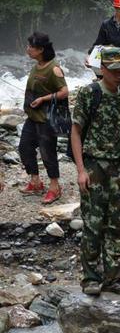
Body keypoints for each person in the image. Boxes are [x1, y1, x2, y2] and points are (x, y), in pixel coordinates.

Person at [71, 47, 120, 297]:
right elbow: (76, 132)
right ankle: (91, 278)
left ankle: (113, 278)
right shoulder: (89, 94)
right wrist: (81, 170)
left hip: (119, 166)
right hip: (94, 165)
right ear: (103, 70)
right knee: (93, 223)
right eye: (115, 71)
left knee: (117, 223)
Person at [18, 32, 68, 205]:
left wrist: (43, 99)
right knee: (24, 147)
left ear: (40, 49)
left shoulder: (54, 68)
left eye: (31, 46)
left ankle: (54, 188)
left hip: (47, 119)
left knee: (48, 153)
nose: (28, 49)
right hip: (32, 117)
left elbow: (64, 92)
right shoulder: (37, 65)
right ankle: (35, 182)